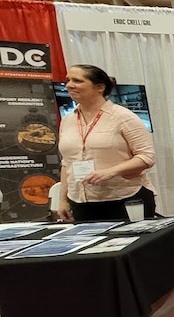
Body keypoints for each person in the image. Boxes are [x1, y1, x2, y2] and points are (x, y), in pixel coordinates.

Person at [57, 64, 157, 222]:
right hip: (80, 202)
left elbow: (147, 156)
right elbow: (67, 163)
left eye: (77, 80)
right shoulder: (67, 120)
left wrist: (111, 171)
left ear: (100, 87)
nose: (69, 85)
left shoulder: (123, 117)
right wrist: (62, 200)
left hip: (124, 199)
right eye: (68, 80)